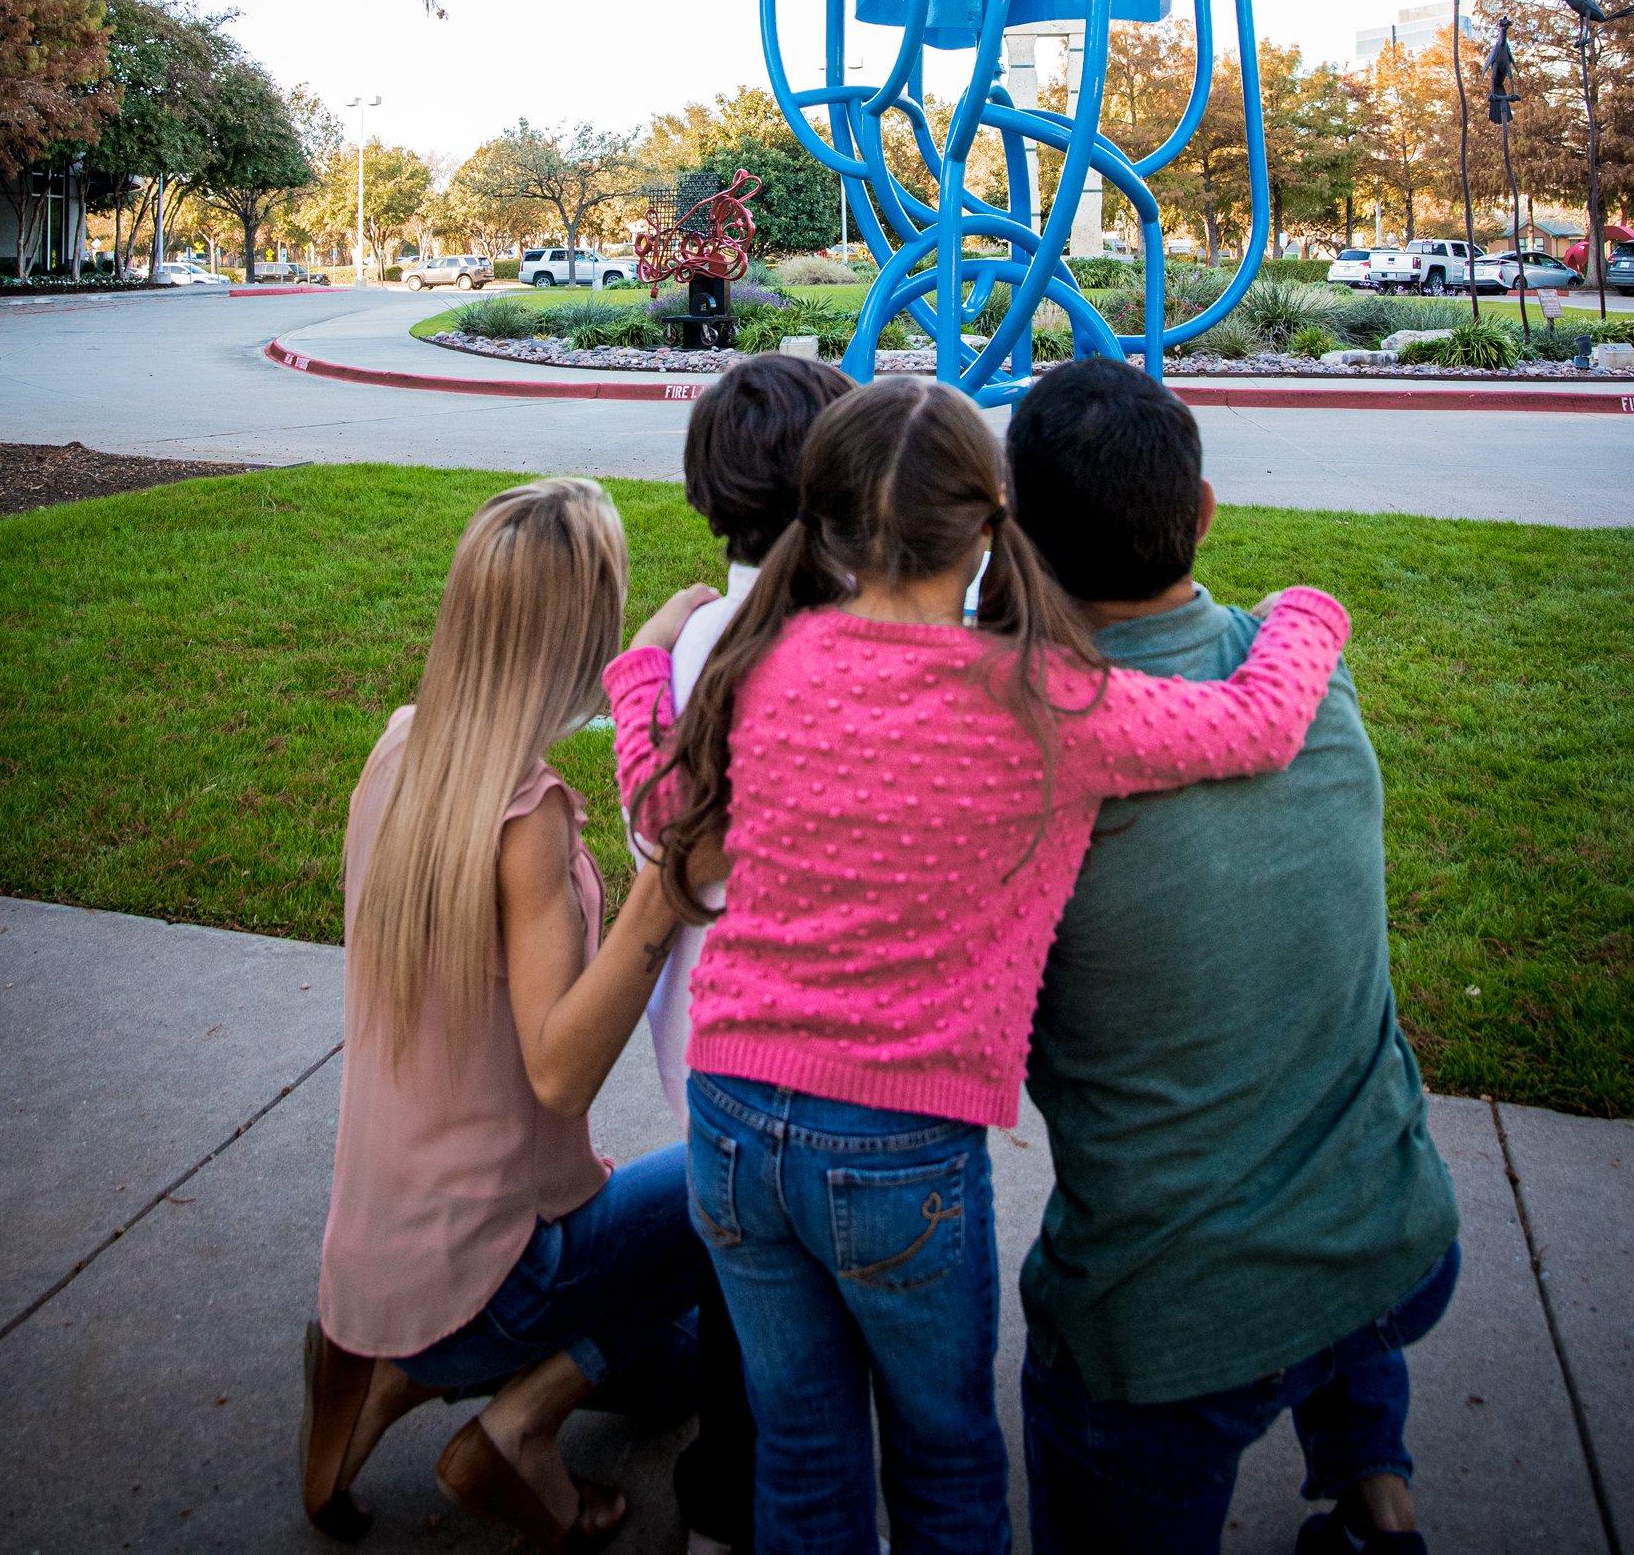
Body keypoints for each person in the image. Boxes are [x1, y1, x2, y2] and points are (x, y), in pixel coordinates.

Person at [608, 379, 1348, 1555]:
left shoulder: (765, 664)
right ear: (991, 519)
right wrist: (1310, 609)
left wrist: (641, 671)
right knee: (947, 1457)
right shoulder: (1044, 697)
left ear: (827, 520)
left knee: (800, 1455)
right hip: (902, 1146)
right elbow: (1257, 722)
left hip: (731, 1124)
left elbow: (661, 804)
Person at [1006, 360, 1460, 1555]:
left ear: (1019, 543)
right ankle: (1379, 1501)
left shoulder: (1026, 758)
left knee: (1086, 1391)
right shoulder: (1309, 674)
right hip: (1399, 1240)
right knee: (1313, 1175)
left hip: (1167, 1331)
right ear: (1203, 513)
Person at [302, 477, 722, 1551]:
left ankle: (380, 1367)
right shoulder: (527, 825)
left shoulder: (403, 755)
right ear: (578, 633)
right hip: (496, 1273)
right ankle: (515, 1429)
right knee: (736, 1186)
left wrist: (648, 653)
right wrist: (668, 887)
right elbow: (560, 1076)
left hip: (380, 1250)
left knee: (668, 1314)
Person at [652, 356, 855, 1555]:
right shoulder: (861, 645)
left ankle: (723, 1507)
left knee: (744, 1309)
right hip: (829, 1061)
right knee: (814, 1323)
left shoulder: (692, 645)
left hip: (713, 1065)